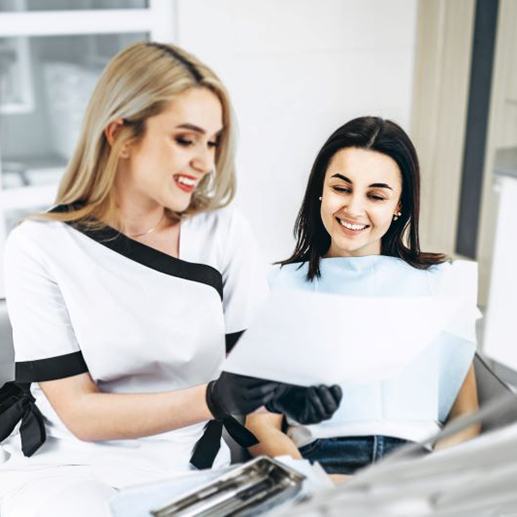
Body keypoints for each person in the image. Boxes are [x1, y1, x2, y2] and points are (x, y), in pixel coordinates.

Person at [0, 42, 341, 516]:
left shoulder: (223, 232)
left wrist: (290, 395)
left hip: (191, 468)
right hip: (68, 470)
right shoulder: (38, 246)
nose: (205, 161)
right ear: (120, 134)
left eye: (213, 142)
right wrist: (213, 397)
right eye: (186, 139)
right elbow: (81, 413)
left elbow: (259, 370)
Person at [246, 116, 481, 477]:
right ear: (320, 190)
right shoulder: (279, 287)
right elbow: (261, 424)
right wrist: (315, 480)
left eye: (375, 195)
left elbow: (466, 417)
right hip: (320, 463)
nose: (354, 209)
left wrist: (432, 478)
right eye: (342, 188)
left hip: (416, 469)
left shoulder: (441, 285)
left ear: (399, 205)